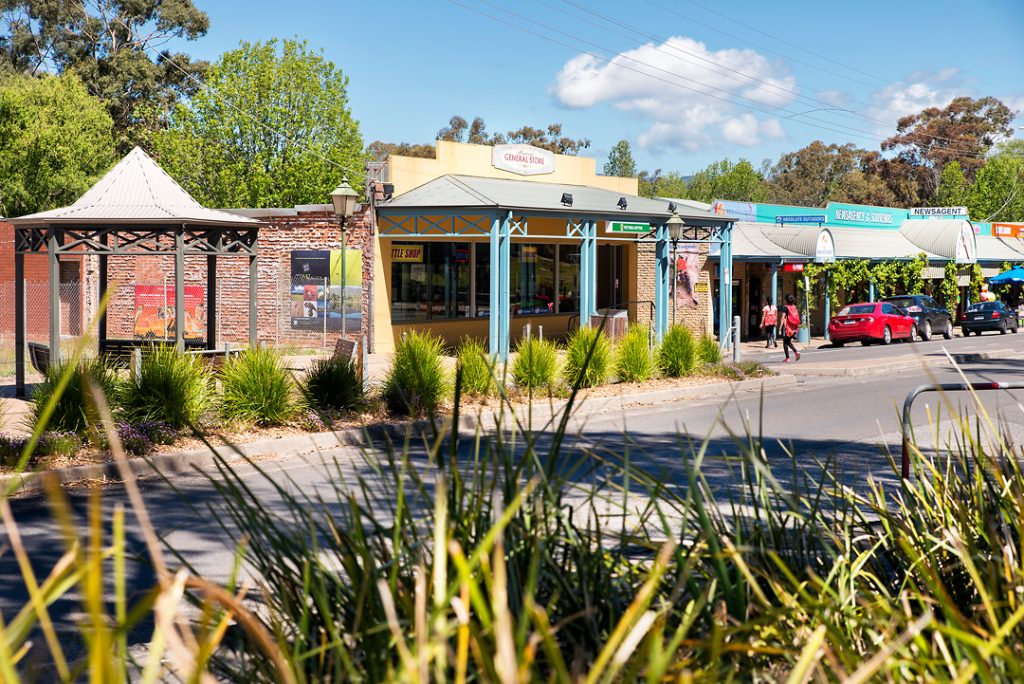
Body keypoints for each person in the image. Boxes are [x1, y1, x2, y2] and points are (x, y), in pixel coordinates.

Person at [781, 294, 801, 362]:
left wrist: (781, 327)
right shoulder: (794, 307)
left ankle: (787, 358)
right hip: (793, 327)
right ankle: (796, 352)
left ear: (786, 300)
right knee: (788, 341)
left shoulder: (785, 307)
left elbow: (783, 318)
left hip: (787, 326)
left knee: (785, 342)